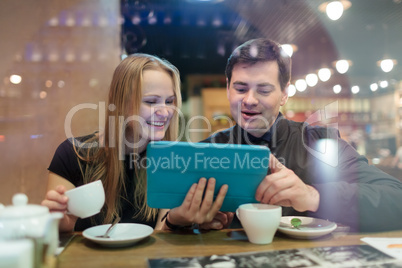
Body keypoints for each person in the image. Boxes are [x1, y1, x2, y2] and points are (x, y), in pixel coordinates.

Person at [202, 38, 402, 232]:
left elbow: (396, 198)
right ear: (228, 88)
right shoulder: (206, 151)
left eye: (263, 90)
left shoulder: (320, 143)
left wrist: (314, 196)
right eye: (240, 88)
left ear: (284, 94)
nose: (250, 100)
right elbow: (175, 216)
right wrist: (181, 222)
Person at [41, 54, 230, 232]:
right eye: (151, 101)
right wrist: (59, 222)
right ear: (121, 102)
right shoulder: (72, 154)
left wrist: (176, 222)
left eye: (169, 101)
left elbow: (160, 237)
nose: (165, 112)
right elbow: (58, 229)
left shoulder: (170, 160)